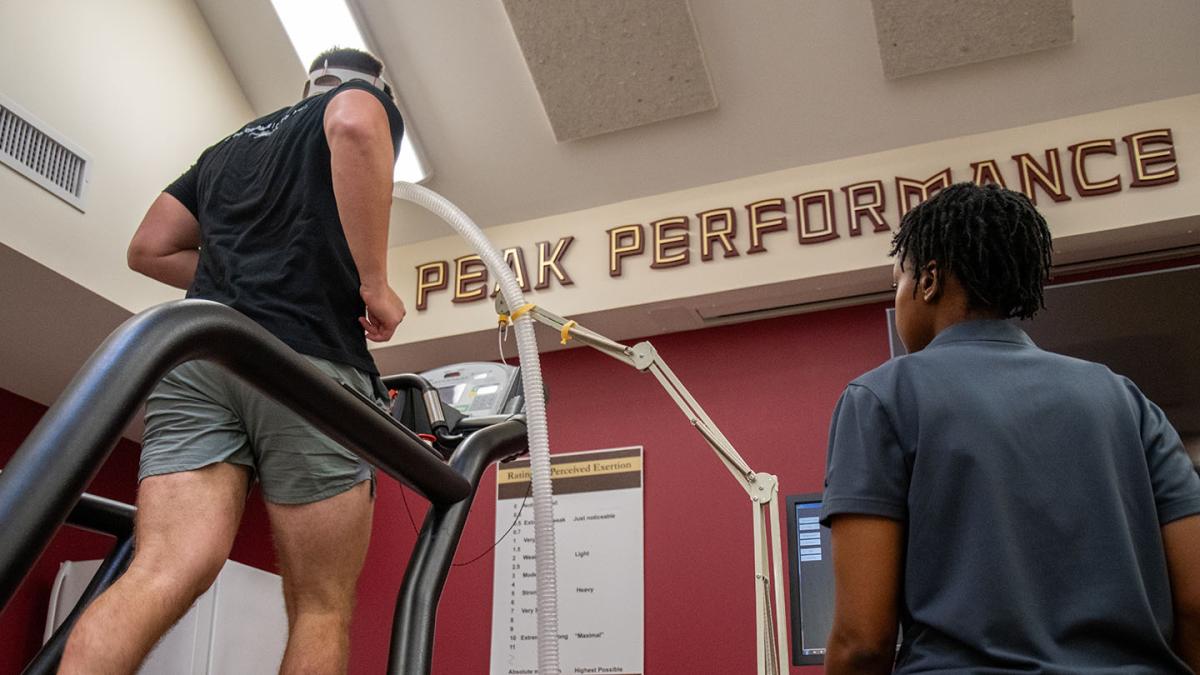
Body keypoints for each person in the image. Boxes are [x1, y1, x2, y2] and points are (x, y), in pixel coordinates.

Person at [59, 47, 406, 674]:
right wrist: (375, 284)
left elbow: (148, 248)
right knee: (321, 606)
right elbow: (355, 124)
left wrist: (237, 278)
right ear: (375, 84)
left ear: (305, 84)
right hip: (307, 365)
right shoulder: (357, 102)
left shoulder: (227, 150)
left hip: (198, 355)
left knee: (159, 570)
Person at [820, 182, 1200, 674]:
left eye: (900, 279)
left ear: (929, 280)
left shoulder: (881, 398)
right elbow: (1195, 602)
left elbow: (863, 641)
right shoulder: (1125, 399)